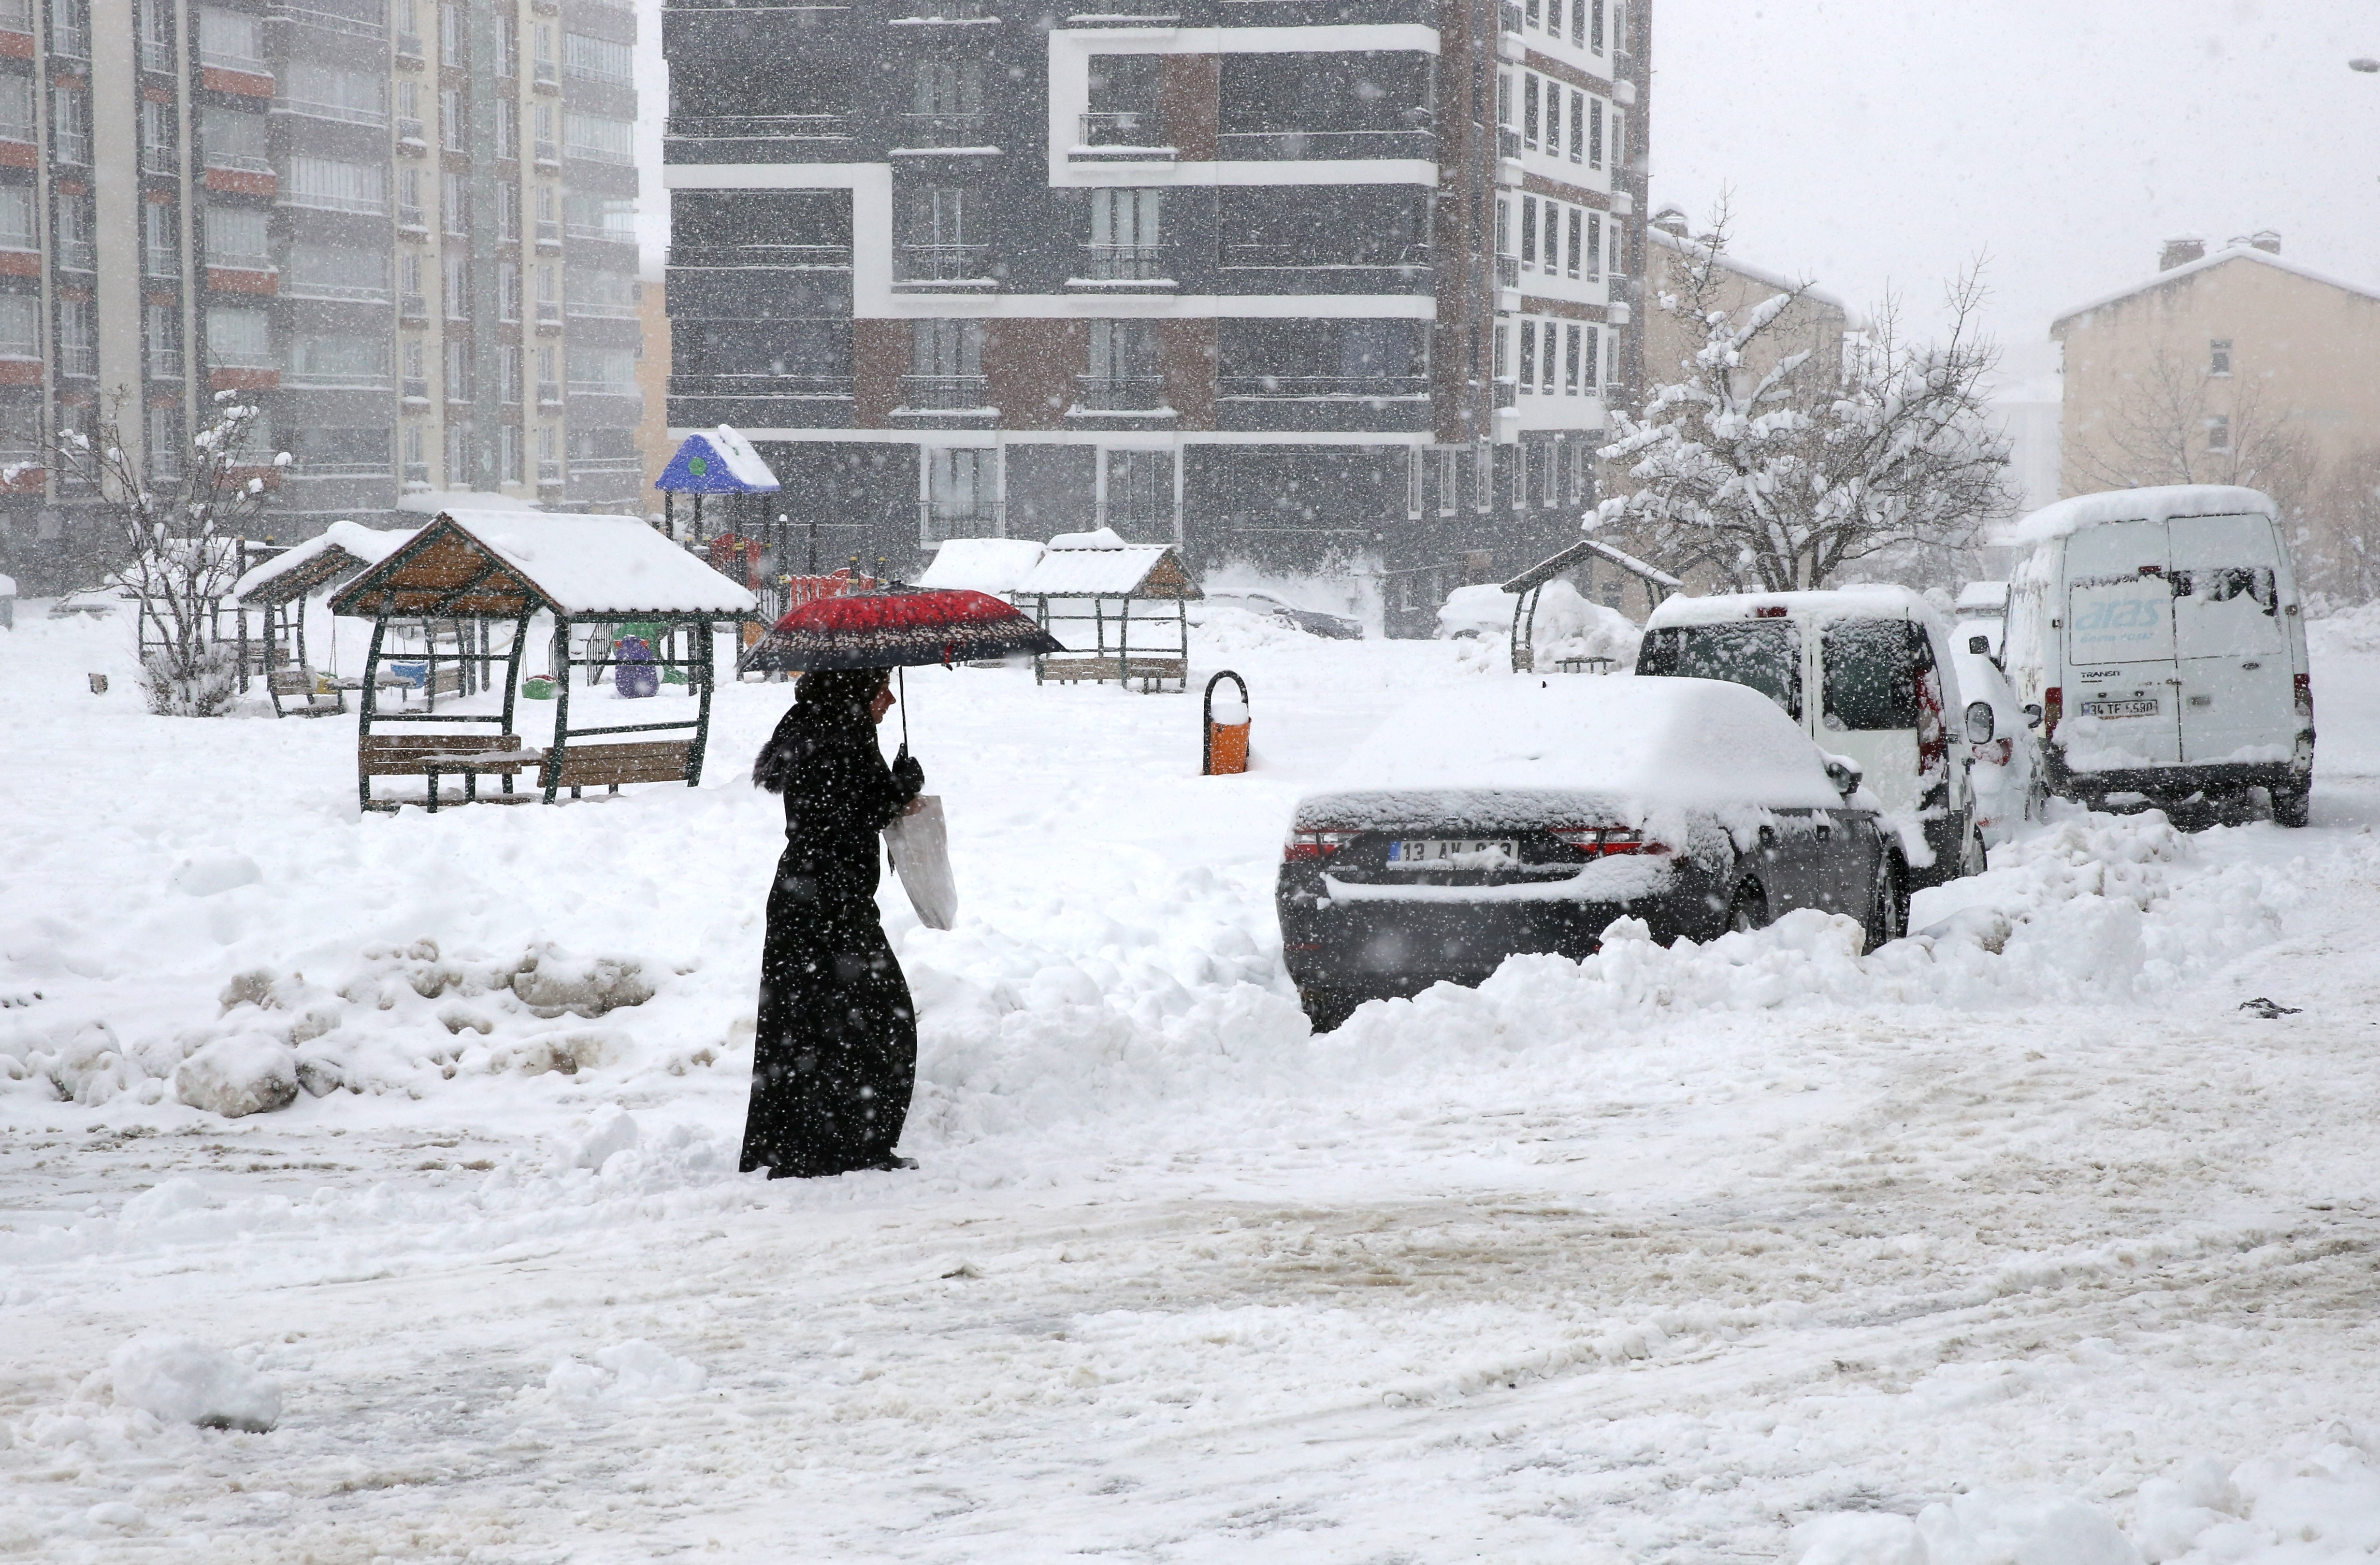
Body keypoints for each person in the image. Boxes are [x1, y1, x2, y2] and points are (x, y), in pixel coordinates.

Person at [739, 666, 926, 1178]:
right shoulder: (835, 733)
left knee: (816, 1029)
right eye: (879, 685)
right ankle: (841, 1146)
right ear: (854, 689)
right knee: (879, 1022)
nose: (888, 697)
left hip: (814, 899)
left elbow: (842, 807)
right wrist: (896, 788)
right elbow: (842, 815)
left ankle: (816, 1146)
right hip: (826, 904)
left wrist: (888, 785)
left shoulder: (825, 726)